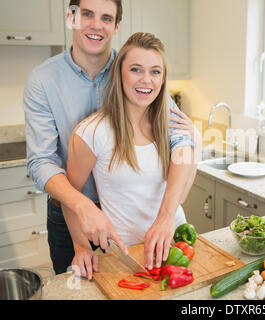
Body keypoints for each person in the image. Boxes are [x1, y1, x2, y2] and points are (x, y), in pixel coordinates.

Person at [22, 0, 200, 276]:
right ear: (71, 17)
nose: (96, 25)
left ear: (116, 26)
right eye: (87, 15)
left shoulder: (134, 68)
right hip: (70, 206)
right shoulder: (42, 80)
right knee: (76, 285)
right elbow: (42, 161)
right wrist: (80, 207)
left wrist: (193, 139)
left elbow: (179, 139)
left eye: (106, 18)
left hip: (123, 216)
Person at [64, 32, 200, 279]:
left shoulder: (176, 126)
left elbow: (182, 194)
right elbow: (70, 197)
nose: (146, 80)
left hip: (178, 246)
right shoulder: (92, 132)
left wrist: (196, 145)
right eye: (136, 69)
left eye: (155, 71)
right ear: (120, 74)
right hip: (127, 258)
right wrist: (81, 246)